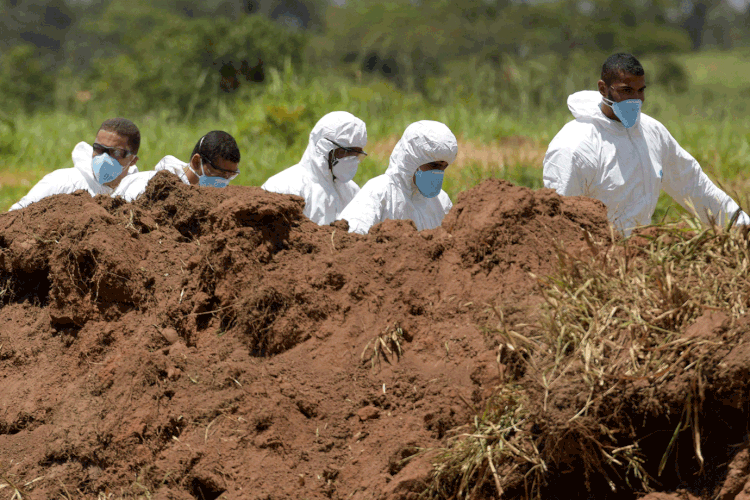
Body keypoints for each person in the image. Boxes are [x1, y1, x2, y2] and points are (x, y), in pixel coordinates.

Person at [543, 52, 749, 235]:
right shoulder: (575, 145)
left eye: (640, 90)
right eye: (626, 91)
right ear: (602, 88)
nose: (636, 99)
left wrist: (742, 225)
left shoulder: (651, 131)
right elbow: (560, 221)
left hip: (638, 256)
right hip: (596, 261)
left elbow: (693, 184)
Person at [338, 120, 457, 234]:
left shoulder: (441, 201)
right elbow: (350, 237)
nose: (438, 173)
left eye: (443, 167)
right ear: (412, 159)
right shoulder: (379, 192)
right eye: (433, 165)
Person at [10, 117, 140, 211]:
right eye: (99, 149)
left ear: (132, 160)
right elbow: (15, 217)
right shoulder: (62, 182)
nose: (104, 157)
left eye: (115, 152)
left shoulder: (137, 193)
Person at [261, 111, 367, 225]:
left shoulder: (351, 192)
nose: (353, 159)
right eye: (348, 152)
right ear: (325, 147)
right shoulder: (283, 187)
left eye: (357, 155)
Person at [115, 130, 241, 202]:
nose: (223, 182)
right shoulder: (145, 187)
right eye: (218, 173)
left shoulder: (210, 199)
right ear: (197, 162)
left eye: (230, 175)